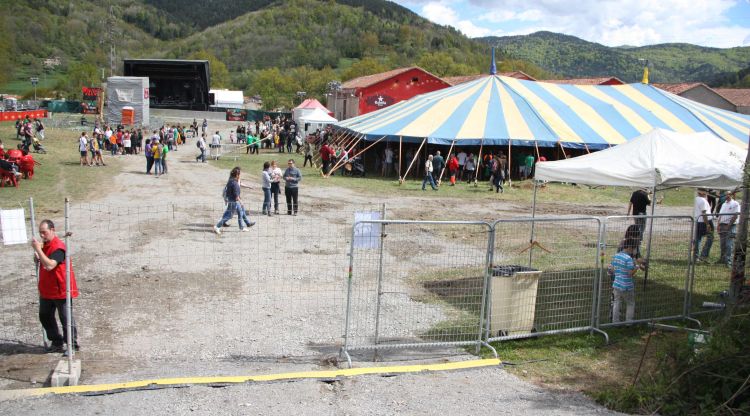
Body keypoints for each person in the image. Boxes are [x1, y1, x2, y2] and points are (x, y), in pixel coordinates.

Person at [31, 220, 80, 353]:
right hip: (47, 289)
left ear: (52, 230)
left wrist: (38, 251)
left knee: (66, 318)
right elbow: (42, 260)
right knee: (44, 316)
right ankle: (56, 341)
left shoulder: (59, 247)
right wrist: (38, 254)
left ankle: (72, 345)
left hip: (60, 289)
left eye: (44, 232)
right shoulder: (45, 245)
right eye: (40, 232)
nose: (42, 235)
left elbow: (50, 265)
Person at [610, 237, 643, 323]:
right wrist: (637, 267)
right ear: (629, 247)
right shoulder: (628, 259)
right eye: (635, 248)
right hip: (627, 286)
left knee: (616, 302)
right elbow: (630, 273)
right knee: (630, 303)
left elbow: (612, 270)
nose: (635, 250)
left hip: (616, 284)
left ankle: (615, 322)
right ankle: (629, 322)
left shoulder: (616, 256)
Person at [214, 167, 255, 234]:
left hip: (231, 199)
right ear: (237, 175)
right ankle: (217, 226)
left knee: (240, 212)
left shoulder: (231, 180)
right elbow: (236, 196)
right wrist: (241, 202)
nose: (240, 176)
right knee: (229, 215)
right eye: (239, 174)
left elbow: (227, 190)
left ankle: (241, 227)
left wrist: (226, 198)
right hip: (234, 201)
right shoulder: (235, 183)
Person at [717, 191, 740, 267]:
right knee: (722, 244)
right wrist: (718, 225)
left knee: (729, 244)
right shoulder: (723, 204)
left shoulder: (735, 204)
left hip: (731, 226)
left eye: (728, 194)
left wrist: (729, 225)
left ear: (732, 195)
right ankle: (722, 259)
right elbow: (720, 215)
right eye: (725, 194)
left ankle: (728, 261)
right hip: (722, 225)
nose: (726, 195)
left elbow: (735, 215)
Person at [693, 189, 714, 262]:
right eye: (705, 191)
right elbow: (704, 213)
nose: (706, 192)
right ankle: (703, 255)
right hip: (705, 221)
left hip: (698, 221)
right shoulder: (703, 200)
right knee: (710, 237)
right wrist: (707, 224)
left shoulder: (696, 199)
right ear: (701, 192)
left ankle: (696, 256)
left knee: (698, 238)